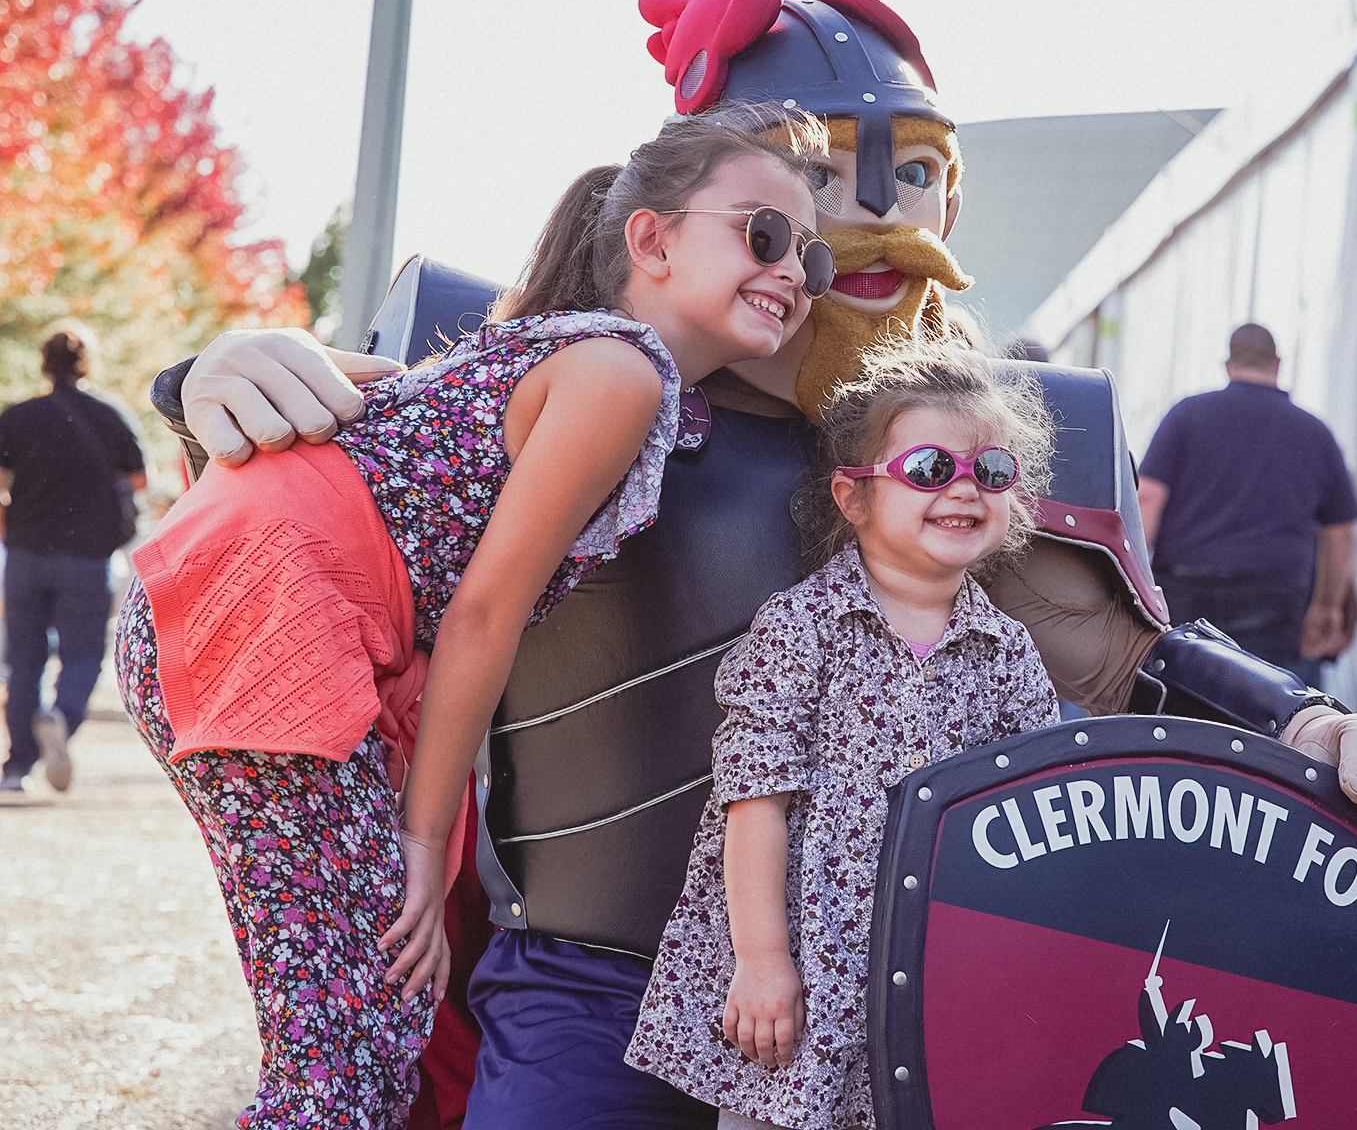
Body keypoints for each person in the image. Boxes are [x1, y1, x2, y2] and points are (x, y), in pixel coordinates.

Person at [145, 0, 1357, 1130]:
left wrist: (1306, 721)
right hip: (581, 990)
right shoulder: (579, 372)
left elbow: (1136, 659)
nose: (879, 218)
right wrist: (223, 373)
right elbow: (356, 492)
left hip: (870, 997)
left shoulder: (971, 441)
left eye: (917, 169)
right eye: (824, 174)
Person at [112, 107, 833, 1129]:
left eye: (815, 255)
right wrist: (420, 836)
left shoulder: (558, 352)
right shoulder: (620, 372)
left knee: (355, 1021)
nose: (794, 270)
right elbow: (485, 613)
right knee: (347, 1039)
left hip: (251, 606)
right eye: (763, 233)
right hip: (276, 617)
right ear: (653, 239)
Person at [627, 345, 1059, 1130]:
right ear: (853, 499)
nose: (964, 487)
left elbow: (1033, 826)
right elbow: (753, 798)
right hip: (804, 970)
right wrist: (761, 961)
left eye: (990, 471)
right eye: (929, 468)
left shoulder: (1010, 654)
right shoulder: (802, 629)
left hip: (937, 975)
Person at [1137, 323, 1357, 685]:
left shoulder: (1185, 416)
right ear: (1278, 364)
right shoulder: (1315, 433)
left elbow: (1146, 499)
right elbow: (1341, 534)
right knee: (1266, 702)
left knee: (1181, 696)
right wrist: (1329, 606)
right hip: (1274, 593)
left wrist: (1133, 582)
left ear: (1229, 365)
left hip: (1186, 586)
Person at [0, 322, 146, 794]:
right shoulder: (110, 416)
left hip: (24, 553)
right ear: (87, 362)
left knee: (25, 659)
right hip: (87, 556)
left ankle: (17, 766)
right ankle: (60, 719)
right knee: (83, 654)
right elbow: (140, 480)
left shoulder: (18, 417)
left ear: (44, 362)